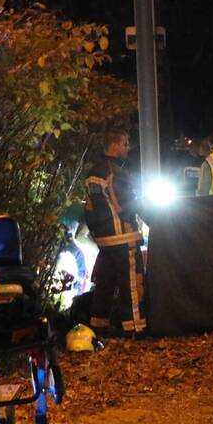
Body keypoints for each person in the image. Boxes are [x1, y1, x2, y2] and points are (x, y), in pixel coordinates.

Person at [84, 128, 146, 337]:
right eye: (126, 143)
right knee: (132, 282)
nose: (128, 148)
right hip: (123, 234)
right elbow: (126, 203)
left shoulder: (95, 170)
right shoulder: (116, 173)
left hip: (104, 238)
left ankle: (98, 325)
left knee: (105, 282)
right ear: (116, 145)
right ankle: (135, 326)